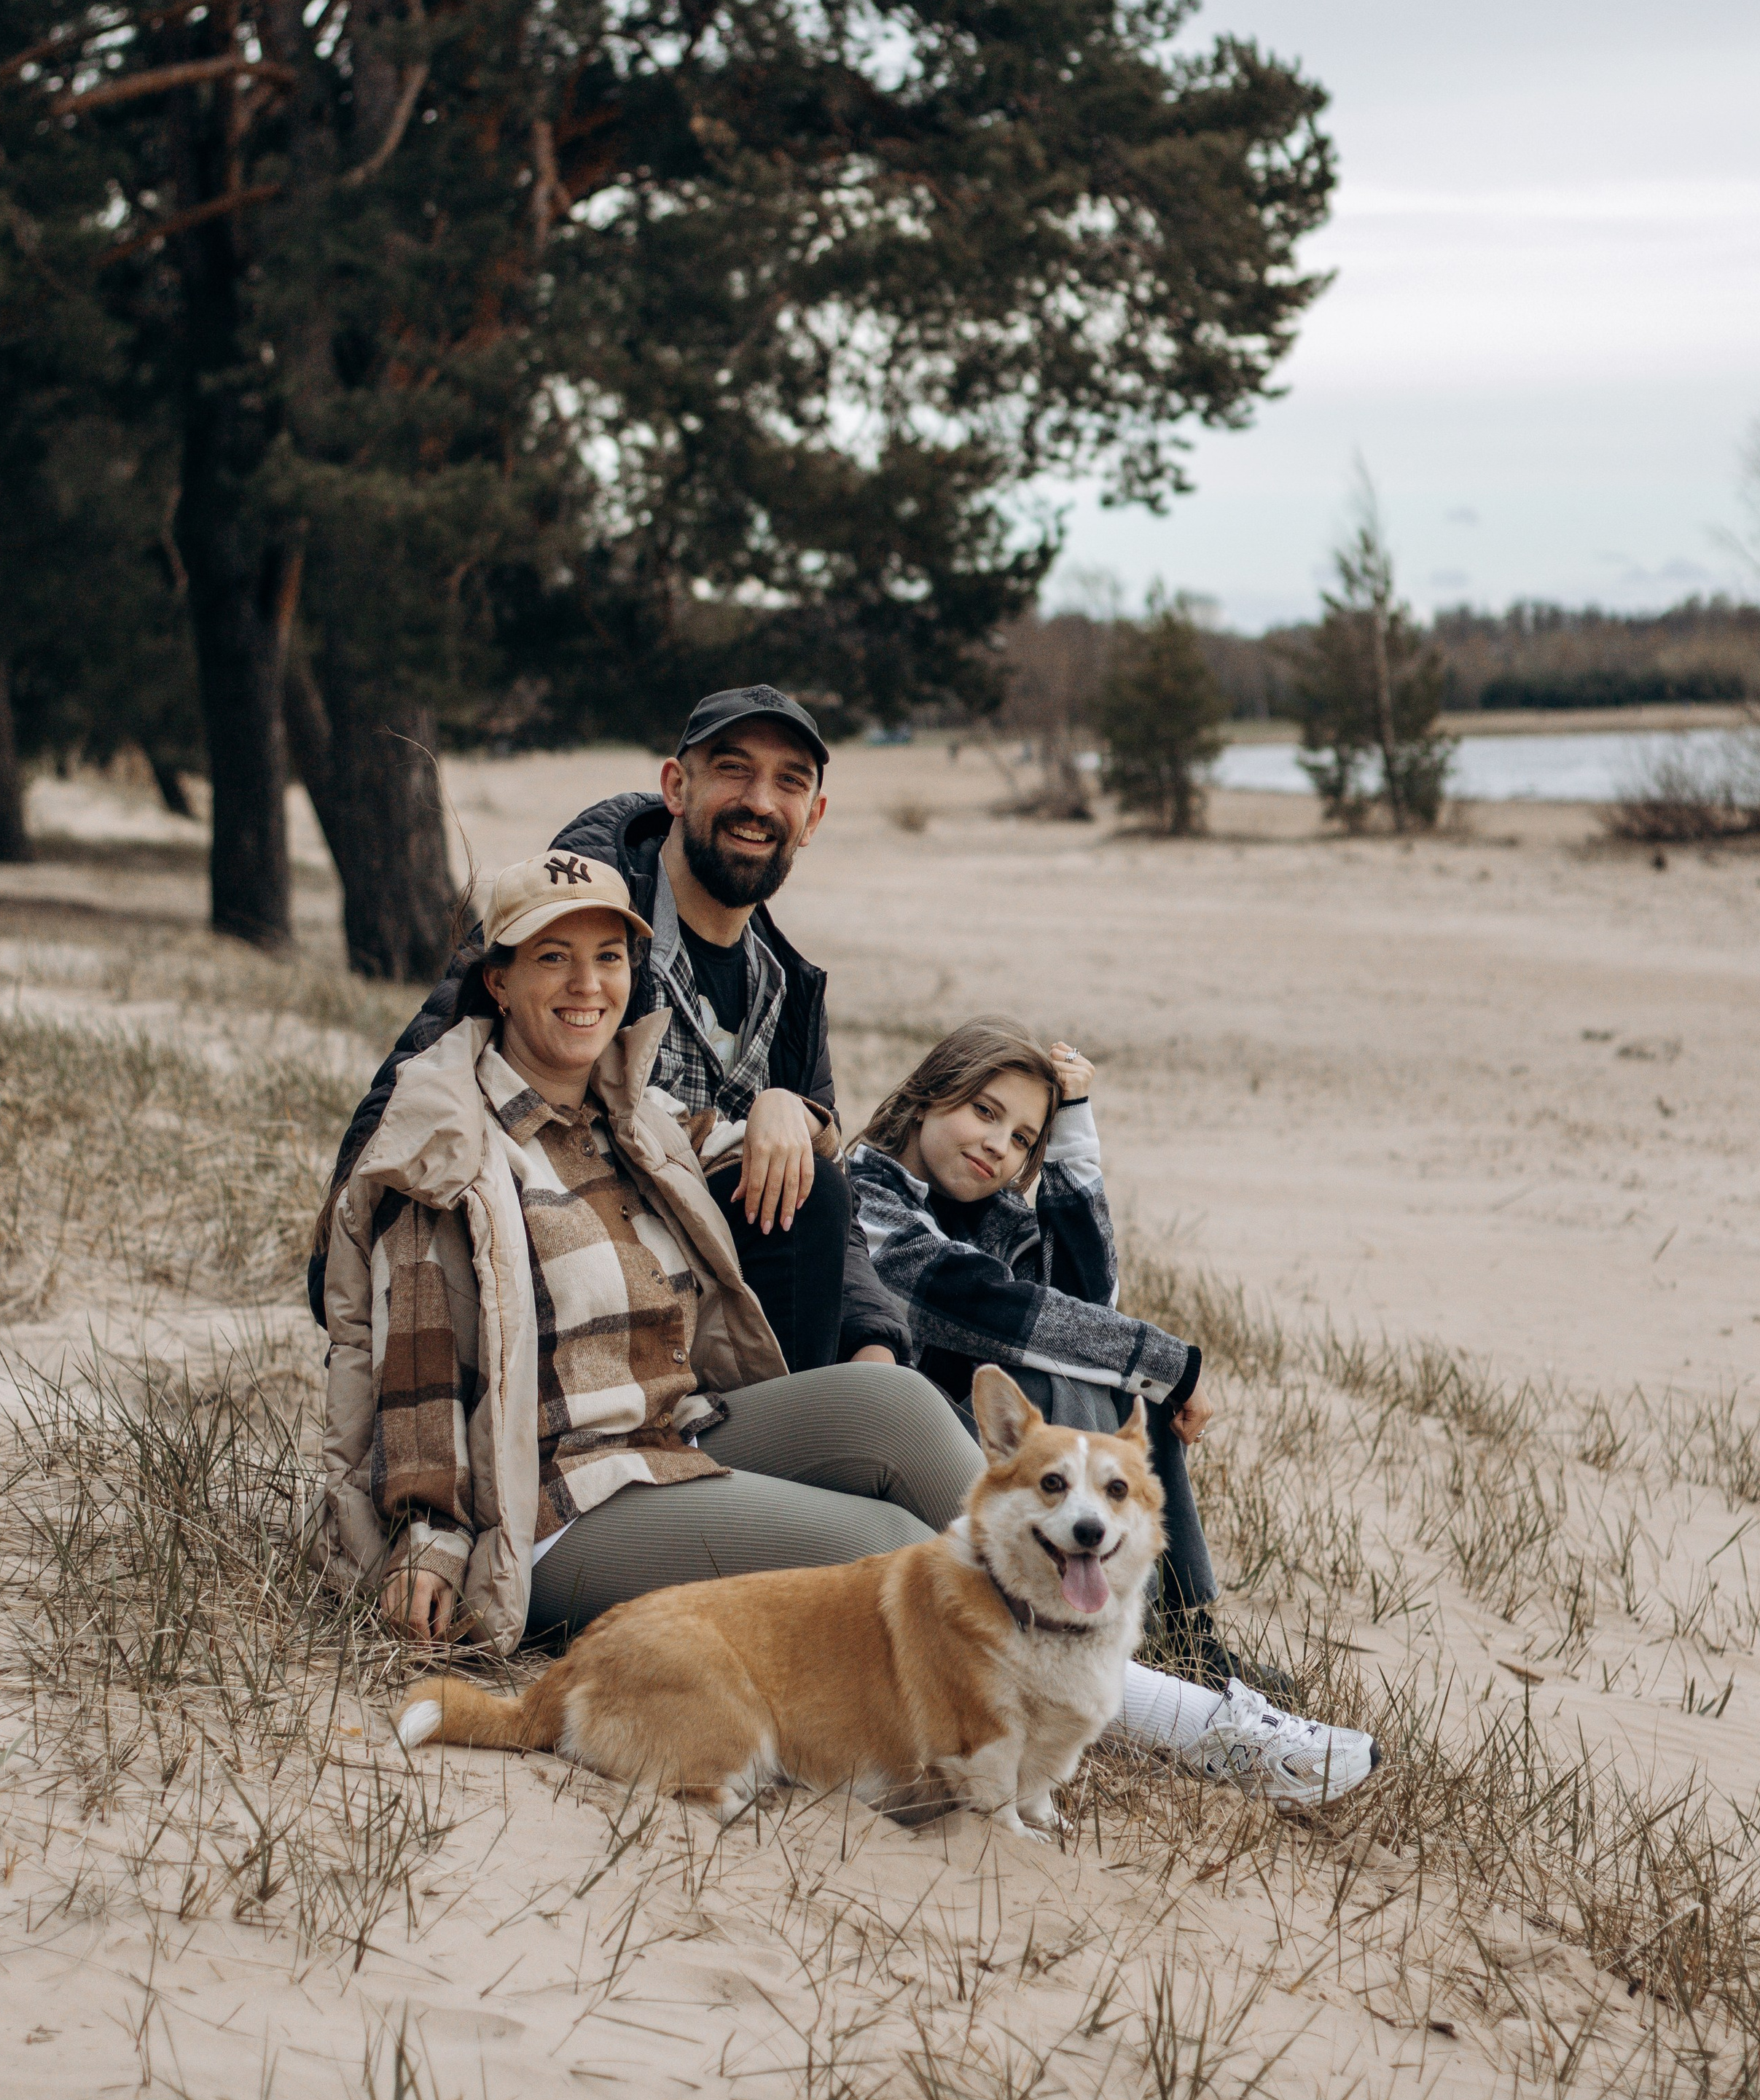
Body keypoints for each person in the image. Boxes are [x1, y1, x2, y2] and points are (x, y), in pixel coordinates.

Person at [318, 854, 1380, 1803]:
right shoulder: (450, 1146)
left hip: (675, 1435)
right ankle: (1205, 1732)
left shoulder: (630, 1115)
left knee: (898, 1403)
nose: (587, 985)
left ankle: (1098, 1658)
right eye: (552, 958)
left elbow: (762, 1145)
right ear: (496, 979)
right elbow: (412, 1362)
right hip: (557, 1497)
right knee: (892, 1550)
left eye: (608, 957)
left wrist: (789, 1109)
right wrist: (431, 1531)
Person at [310, 684, 906, 1379]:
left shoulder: (790, 991)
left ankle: (817, 1431)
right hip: (587, 1292)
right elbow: (424, 1063)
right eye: (733, 769)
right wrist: (340, 1275)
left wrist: (874, 1342)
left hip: (730, 1317)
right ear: (676, 787)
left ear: (812, 819)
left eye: (789, 783)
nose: (760, 802)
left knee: (897, 1367)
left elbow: (835, 1204)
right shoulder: (570, 922)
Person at [848, 1020, 1277, 1698]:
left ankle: (1188, 1637)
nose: (997, 1145)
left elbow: (1093, 1305)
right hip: (912, 1455)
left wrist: (1074, 1131)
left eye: (1022, 1138)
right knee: (1056, 1368)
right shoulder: (866, 1200)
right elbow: (996, 1309)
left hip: (1010, 1472)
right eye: (983, 1112)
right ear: (927, 1097)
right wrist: (1173, 1366)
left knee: (1126, 1390)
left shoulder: (992, 1215)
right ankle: (1107, 1636)